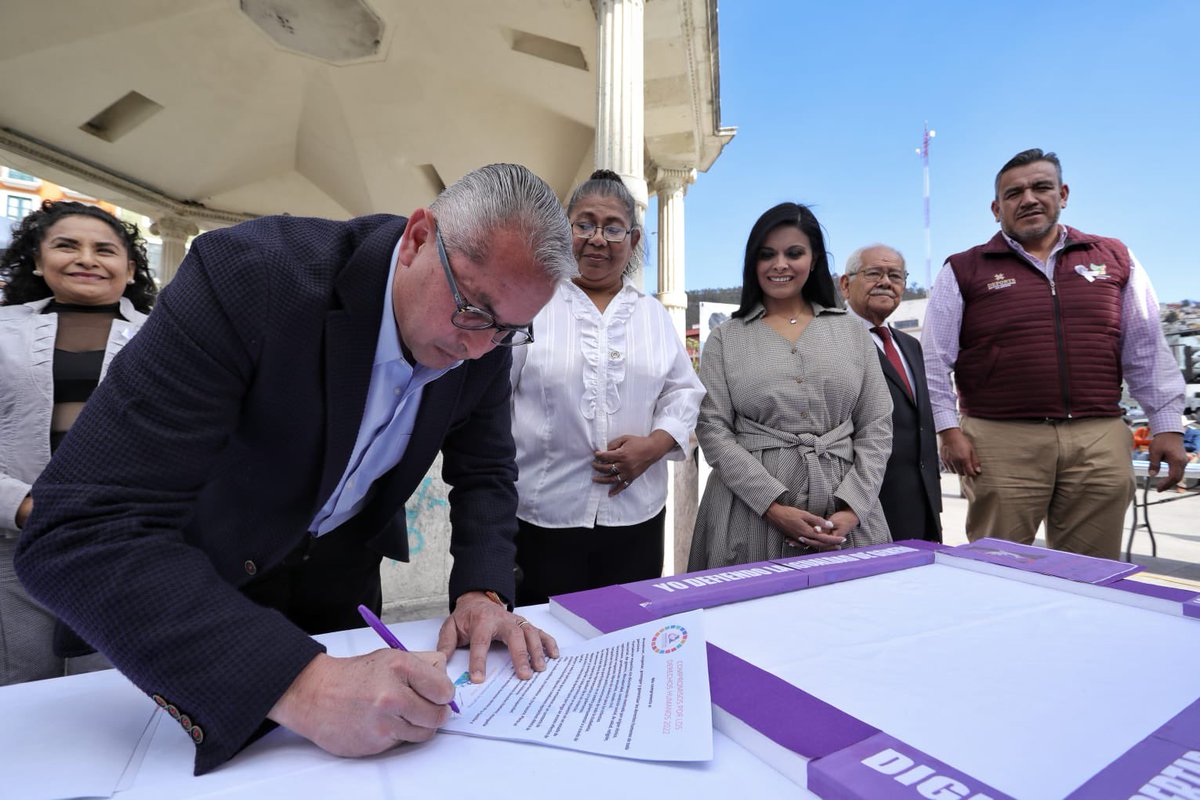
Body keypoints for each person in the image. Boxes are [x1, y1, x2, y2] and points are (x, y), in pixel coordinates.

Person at [15, 164, 575, 774]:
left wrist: (483, 589)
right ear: (417, 238)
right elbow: (75, 528)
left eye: (510, 332)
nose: (475, 350)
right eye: (472, 309)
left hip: (342, 590)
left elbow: (487, 468)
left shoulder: (483, 338)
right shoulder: (251, 276)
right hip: (202, 591)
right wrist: (301, 684)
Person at [924, 148, 1187, 559]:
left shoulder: (1114, 257)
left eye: (1041, 187)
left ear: (1063, 194)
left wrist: (1167, 425)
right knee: (998, 567)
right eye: (1014, 193)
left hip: (1097, 436)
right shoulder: (963, 269)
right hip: (999, 440)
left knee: (1091, 570)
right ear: (997, 208)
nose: (1028, 198)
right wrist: (947, 431)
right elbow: (934, 360)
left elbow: (1146, 348)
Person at [509, 170, 704, 604]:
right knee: (544, 644)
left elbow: (683, 392)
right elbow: (493, 400)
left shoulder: (651, 315)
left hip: (636, 520)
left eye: (613, 227)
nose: (598, 238)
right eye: (585, 224)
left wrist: (654, 446)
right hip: (542, 515)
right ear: (565, 231)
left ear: (633, 241)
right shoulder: (531, 306)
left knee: (625, 634)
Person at [688, 202, 893, 571]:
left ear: (813, 260)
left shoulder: (850, 332)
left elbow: (876, 423)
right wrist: (772, 505)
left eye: (793, 253)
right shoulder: (725, 338)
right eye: (767, 255)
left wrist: (853, 507)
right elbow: (712, 428)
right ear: (753, 262)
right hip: (747, 512)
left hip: (844, 511)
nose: (779, 264)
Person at [1, 200, 156, 685]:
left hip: (128, 543)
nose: (86, 258)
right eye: (67, 245)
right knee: (23, 682)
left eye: (104, 250)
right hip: (14, 543)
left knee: (115, 686)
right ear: (36, 259)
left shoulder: (167, 337)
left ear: (129, 269)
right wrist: (21, 506)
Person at [838, 244, 942, 542]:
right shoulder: (830, 339)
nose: (886, 282)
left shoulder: (910, 346)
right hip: (861, 506)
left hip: (920, 504)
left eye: (895, 276)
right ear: (846, 284)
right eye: (874, 273)